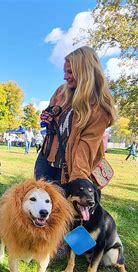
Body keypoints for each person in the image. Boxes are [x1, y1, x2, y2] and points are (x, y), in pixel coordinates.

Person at [34, 46, 117, 184]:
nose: (65, 77)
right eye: (65, 71)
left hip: (70, 170)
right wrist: (48, 117)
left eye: (70, 72)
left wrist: (78, 180)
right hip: (46, 162)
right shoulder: (61, 91)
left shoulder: (99, 107)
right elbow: (52, 114)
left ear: (85, 72)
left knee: (65, 205)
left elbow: (86, 147)